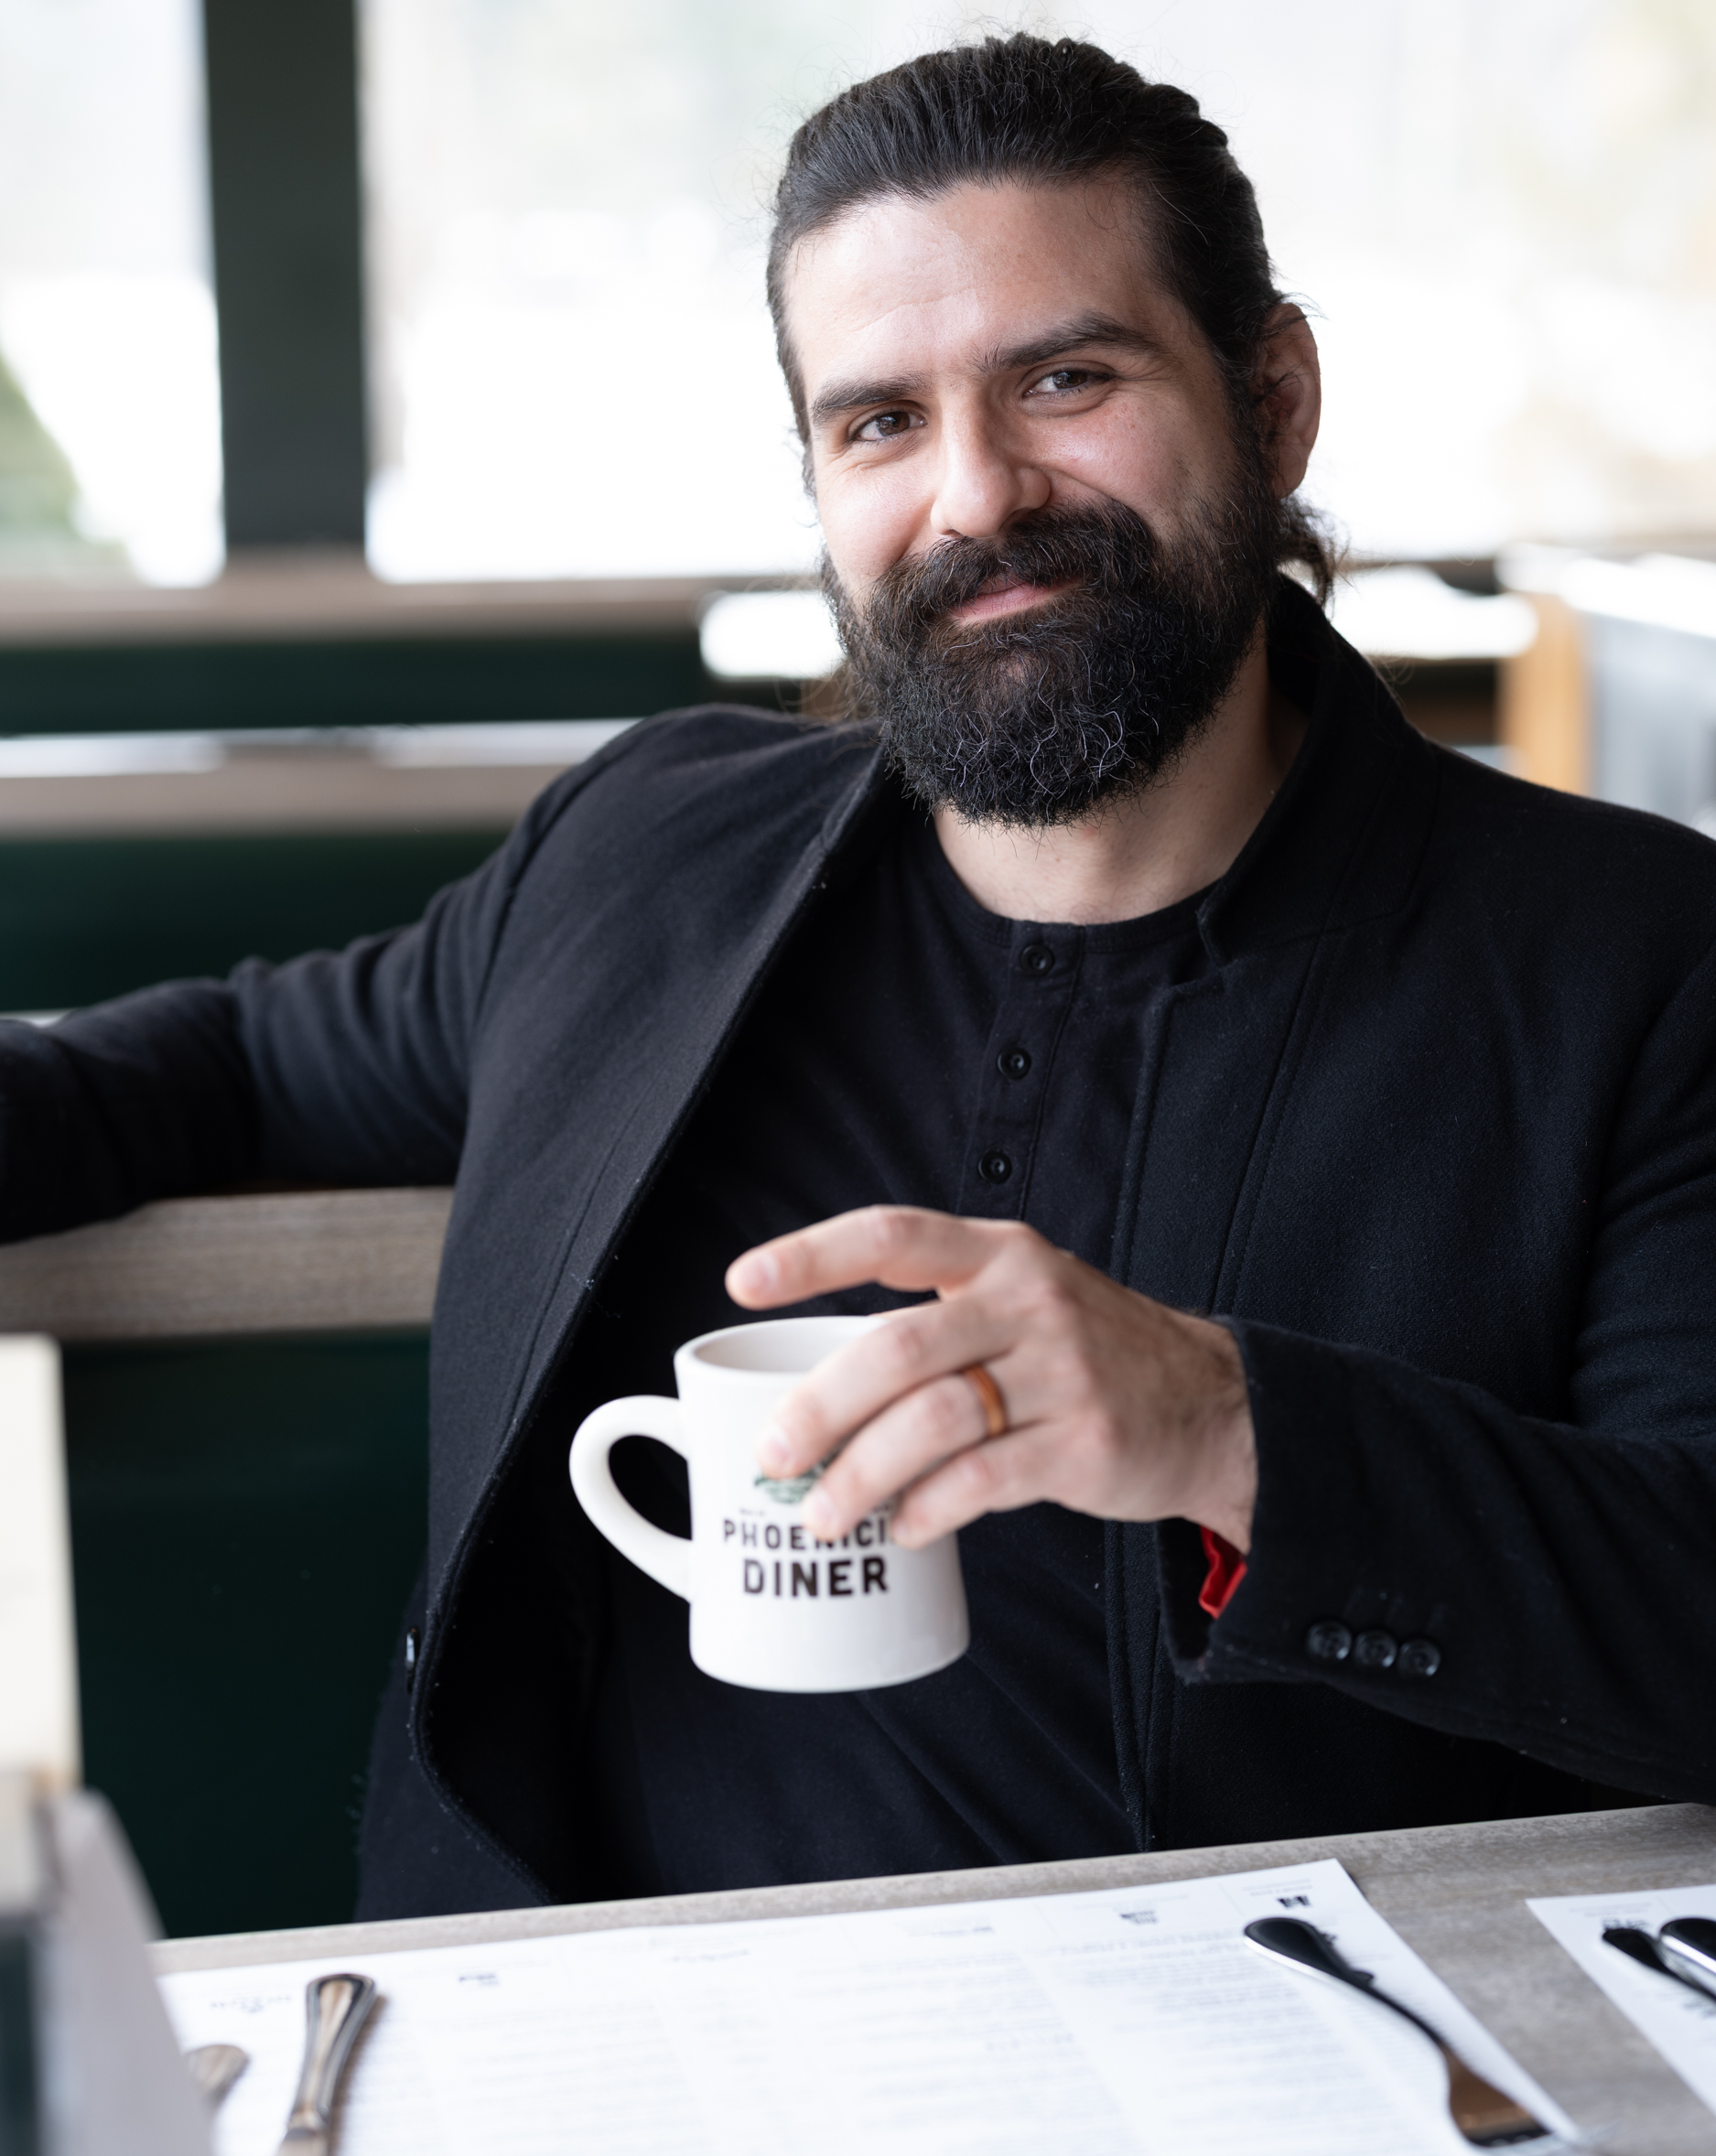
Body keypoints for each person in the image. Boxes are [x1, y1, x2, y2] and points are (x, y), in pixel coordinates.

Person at [11, 34, 1716, 1919]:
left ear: (1274, 399)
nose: (975, 497)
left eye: (1065, 380)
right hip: (607, 2023)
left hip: (1322, 2039)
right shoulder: (649, 855)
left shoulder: (1635, 961)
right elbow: (231, 1065)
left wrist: (1224, 1425)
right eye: (880, 422)